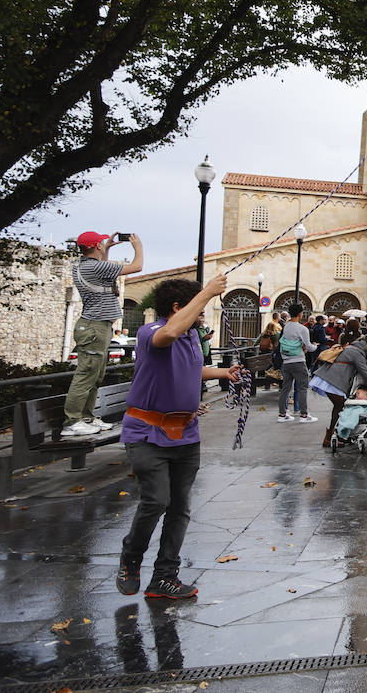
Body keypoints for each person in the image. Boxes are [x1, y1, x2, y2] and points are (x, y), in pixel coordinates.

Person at [116, 274, 241, 599]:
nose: (202, 317)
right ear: (177, 307)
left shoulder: (189, 337)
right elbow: (168, 334)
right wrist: (209, 292)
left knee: (180, 507)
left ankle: (164, 577)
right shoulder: (152, 332)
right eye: (198, 311)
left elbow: (191, 369)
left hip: (185, 434)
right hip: (146, 433)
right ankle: (131, 555)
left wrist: (223, 373)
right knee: (156, 500)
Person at [62, 231, 144, 436]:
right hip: (94, 326)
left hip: (96, 326)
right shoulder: (94, 266)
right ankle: (72, 421)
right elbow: (137, 267)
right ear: (96, 246)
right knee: (86, 374)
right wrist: (138, 247)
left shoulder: (86, 266)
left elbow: (103, 271)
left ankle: (86, 417)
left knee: (95, 375)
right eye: (101, 242)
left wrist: (105, 249)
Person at [311, 330, 367, 446]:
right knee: (341, 406)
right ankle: (333, 436)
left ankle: (334, 435)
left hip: (326, 378)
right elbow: (365, 373)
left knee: (339, 406)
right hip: (331, 381)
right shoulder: (357, 353)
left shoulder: (351, 348)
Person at [276, 303, 318, 425]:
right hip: (299, 361)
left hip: (287, 362)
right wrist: (315, 347)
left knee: (286, 388)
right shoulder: (302, 329)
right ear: (300, 314)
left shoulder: (286, 327)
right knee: (302, 388)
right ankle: (304, 415)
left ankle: (282, 414)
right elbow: (309, 347)